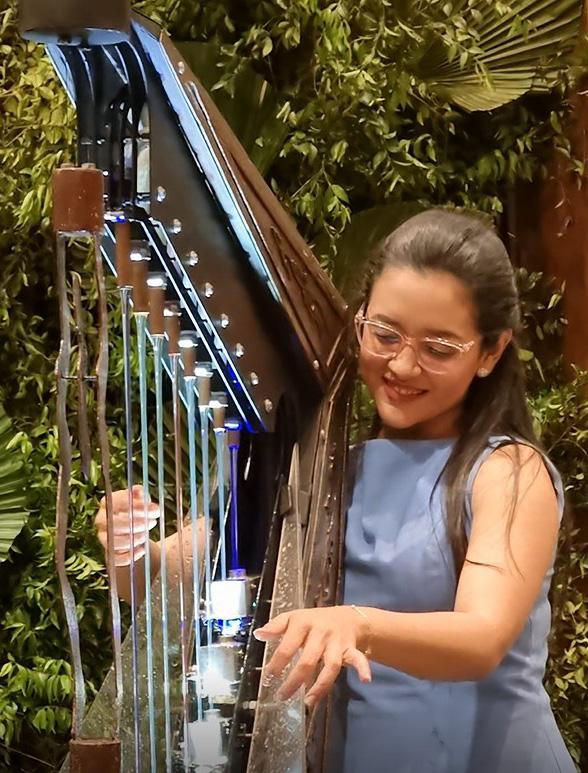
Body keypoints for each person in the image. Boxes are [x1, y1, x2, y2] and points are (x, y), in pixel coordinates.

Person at [96, 209, 575, 772]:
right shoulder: (330, 470)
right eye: (385, 334)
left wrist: (357, 623)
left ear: (491, 352)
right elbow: (166, 578)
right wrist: (130, 546)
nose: (402, 364)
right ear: (360, 320)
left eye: (439, 349)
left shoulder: (508, 470)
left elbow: (482, 638)